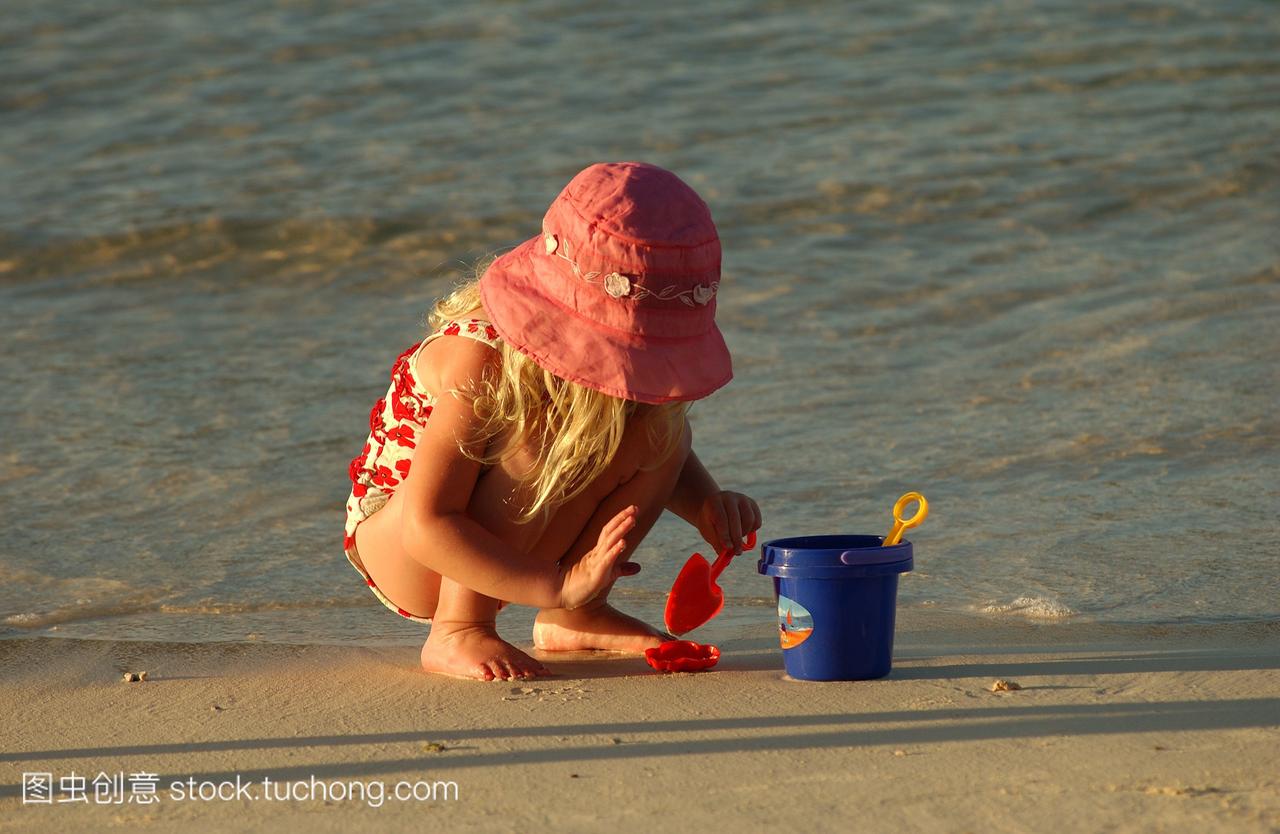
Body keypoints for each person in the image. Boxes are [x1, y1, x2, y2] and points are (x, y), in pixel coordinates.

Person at [342, 161, 762, 681]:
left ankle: (577, 615)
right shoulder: (480, 360)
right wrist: (556, 583)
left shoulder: (614, 384)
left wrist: (706, 504)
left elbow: (661, 452)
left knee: (663, 431)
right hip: (411, 547)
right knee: (533, 440)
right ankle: (459, 628)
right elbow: (428, 525)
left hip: (507, 543)